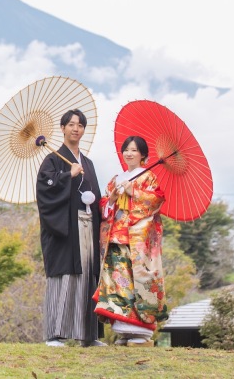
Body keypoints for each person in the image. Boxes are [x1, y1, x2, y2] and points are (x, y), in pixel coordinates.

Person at [35, 109, 105, 347]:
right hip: (65, 228)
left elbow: (95, 196)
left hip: (88, 225)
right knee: (64, 276)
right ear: (63, 128)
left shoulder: (89, 163)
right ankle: (54, 334)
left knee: (87, 275)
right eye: (71, 124)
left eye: (80, 125)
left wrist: (110, 200)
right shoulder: (53, 159)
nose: (76, 129)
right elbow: (45, 192)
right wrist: (67, 175)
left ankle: (88, 336)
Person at [93, 135, 168, 347]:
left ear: (143, 154)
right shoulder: (116, 178)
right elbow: (105, 208)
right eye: (126, 149)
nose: (129, 153)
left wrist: (132, 190)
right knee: (117, 281)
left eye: (134, 150)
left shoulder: (148, 178)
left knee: (137, 281)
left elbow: (155, 201)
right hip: (115, 236)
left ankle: (140, 331)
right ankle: (123, 330)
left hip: (136, 240)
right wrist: (113, 200)